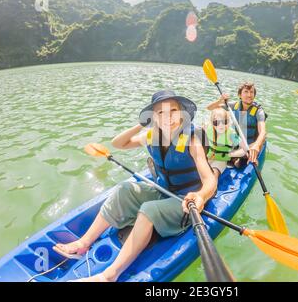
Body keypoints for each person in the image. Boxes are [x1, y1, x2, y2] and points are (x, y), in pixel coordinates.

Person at [53, 90, 217, 282]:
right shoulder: (152, 135)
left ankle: (108, 276)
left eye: (173, 111)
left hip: (186, 201)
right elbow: (119, 143)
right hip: (163, 192)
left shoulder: (192, 140)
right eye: (160, 113)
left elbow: (210, 180)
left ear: (181, 113)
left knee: (148, 210)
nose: (168, 118)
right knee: (124, 189)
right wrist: (141, 123)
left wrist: (201, 196)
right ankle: (83, 243)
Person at [206, 82, 267, 167]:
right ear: (240, 95)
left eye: (252, 92)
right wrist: (220, 101)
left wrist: (256, 145)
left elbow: (263, 132)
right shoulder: (233, 105)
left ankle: (239, 159)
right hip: (234, 142)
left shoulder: (259, 111)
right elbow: (209, 108)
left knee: (240, 162)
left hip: (249, 146)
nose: (249, 95)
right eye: (246, 92)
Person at [206, 108, 245, 179]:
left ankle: (211, 186)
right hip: (209, 157)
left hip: (221, 160)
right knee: (200, 170)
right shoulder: (208, 129)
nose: (221, 125)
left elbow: (244, 149)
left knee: (213, 175)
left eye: (224, 121)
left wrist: (230, 154)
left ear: (229, 122)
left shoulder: (231, 134)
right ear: (212, 123)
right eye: (216, 122)